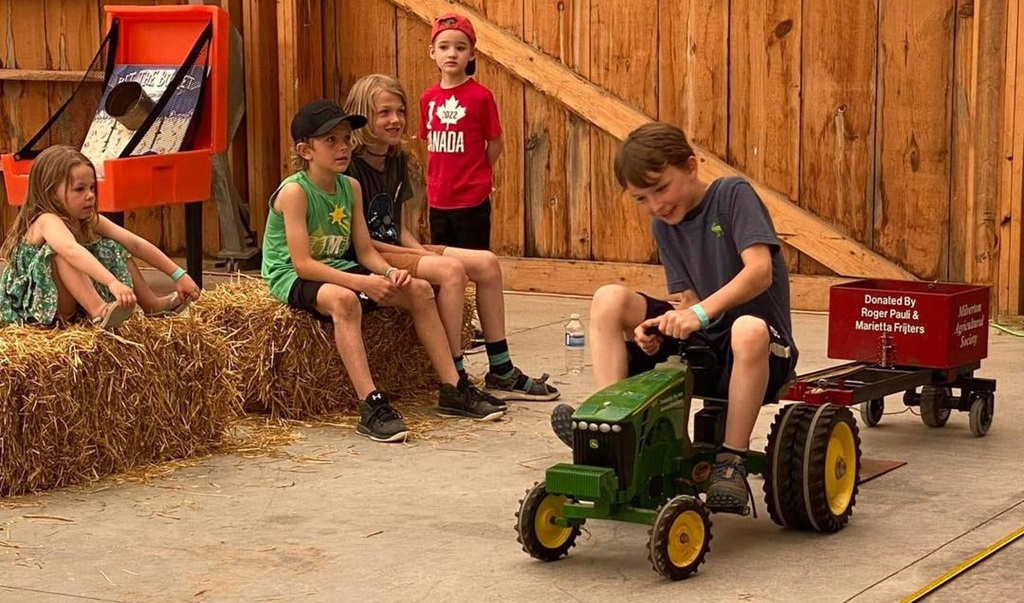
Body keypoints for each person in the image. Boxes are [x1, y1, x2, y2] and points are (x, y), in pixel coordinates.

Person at [551, 123, 798, 514]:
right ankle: (613, 428)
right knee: (608, 299)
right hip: (708, 342)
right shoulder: (663, 226)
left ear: (691, 166)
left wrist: (698, 314)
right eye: (641, 199)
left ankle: (731, 462)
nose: (656, 206)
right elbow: (689, 301)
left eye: (661, 188)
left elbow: (759, 272)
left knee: (747, 328)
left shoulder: (732, 195)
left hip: (763, 350)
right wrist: (656, 332)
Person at [260, 99, 504, 444]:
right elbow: (304, 265)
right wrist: (362, 282)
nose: (343, 147)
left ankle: (453, 386)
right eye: (330, 141)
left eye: (346, 138)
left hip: (338, 265)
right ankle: (371, 404)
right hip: (293, 275)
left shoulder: (350, 187)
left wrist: (389, 274)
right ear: (305, 150)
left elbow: (363, 250)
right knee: (346, 302)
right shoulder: (295, 192)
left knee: (419, 290)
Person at [343, 74, 558, 403]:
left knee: (486, 262)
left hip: (394, 245)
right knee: (450, 271)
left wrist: (420, 254)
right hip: (368, 254)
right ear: (363, 115)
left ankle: (500, 367)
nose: (396, 119)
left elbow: (395, 224)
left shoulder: (396, 159)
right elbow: (359, 240)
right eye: (384, 112)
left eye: (400, 111)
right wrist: (427, 261)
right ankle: (454, 378)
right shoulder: (350, 168)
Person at [0, 145, 200, 329]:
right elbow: (71, 250)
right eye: (80, 189)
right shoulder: (46, 220)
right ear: (51, 192)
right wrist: (112, 282)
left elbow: (135, 243)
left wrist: (177, 274)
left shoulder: (88, 219)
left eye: (92, 188)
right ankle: (99, 310)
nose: (90, 195)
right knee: (61, 253)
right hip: (38, 307)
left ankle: (151, 304)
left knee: (112, 245)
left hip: (69, 302)